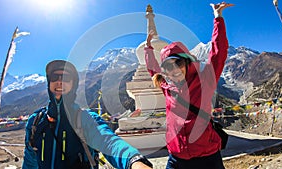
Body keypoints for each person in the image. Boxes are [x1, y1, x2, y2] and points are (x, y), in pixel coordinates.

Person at [144, 2, 233, 169]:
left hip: (207, 156)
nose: (174, 70)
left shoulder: (205, 80)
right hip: (177, 157)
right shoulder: (168, 88)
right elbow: (153, 72)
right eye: (168, 67)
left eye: (178, 63)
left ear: (187, 62)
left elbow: (218, 53)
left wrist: (218, 18)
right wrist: (148, 49)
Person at [22, 60, 153, 169]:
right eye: (55, 77)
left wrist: (134, 161)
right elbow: (29, 161)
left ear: (73, 85)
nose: (59, 81)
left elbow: (109, 142)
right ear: (48, 83)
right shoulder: (36, 122)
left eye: (66, 78)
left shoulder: (85, 119)